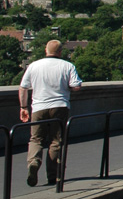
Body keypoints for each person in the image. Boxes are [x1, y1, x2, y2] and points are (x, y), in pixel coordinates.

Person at [18, 40, 82, 187]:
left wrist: (23, 107)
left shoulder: (34, 65)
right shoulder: (67, 66)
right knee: (56, 141)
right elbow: (76, 86)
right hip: (60, 106)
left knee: (36, 139)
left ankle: (34, 163)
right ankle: (53, 176)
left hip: (39, 107)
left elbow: (23, 88)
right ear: (60, 52)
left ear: (46, 51)